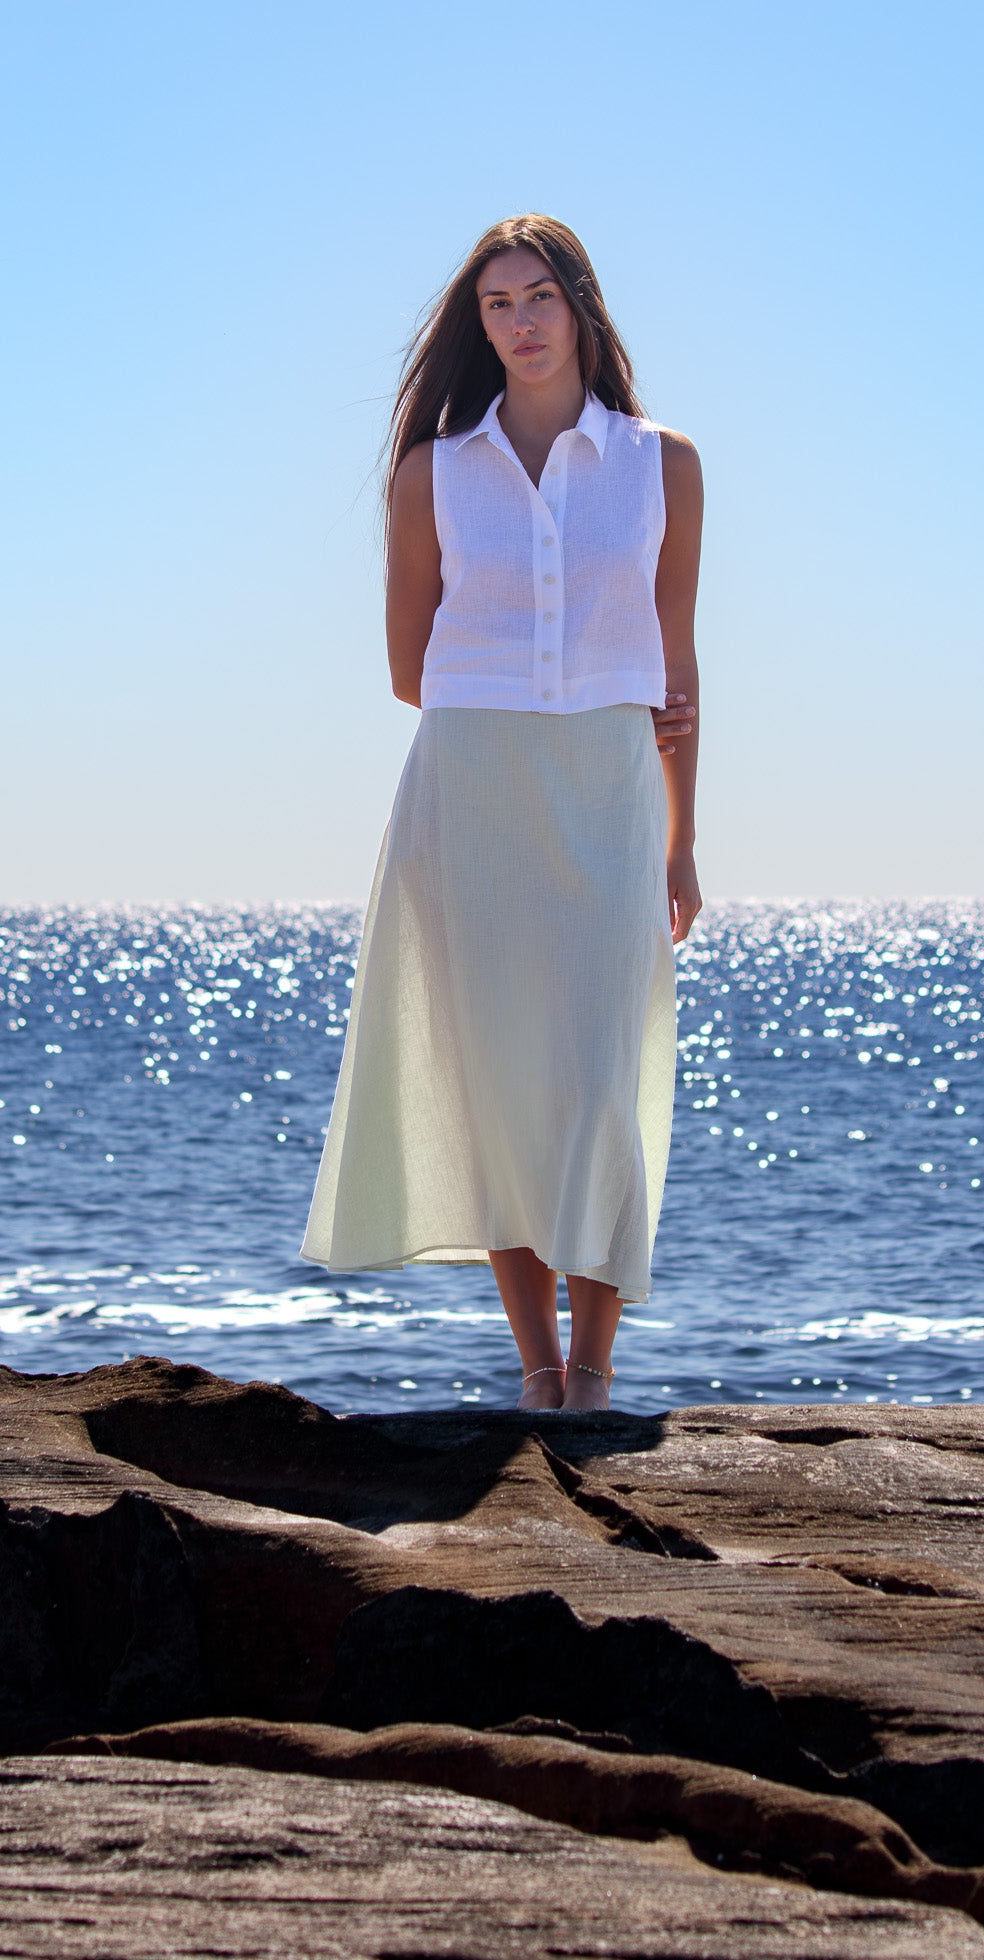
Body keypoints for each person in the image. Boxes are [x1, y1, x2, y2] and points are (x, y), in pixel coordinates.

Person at [301, 215, 702, 1412]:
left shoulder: (660, 462)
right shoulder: (433, 473)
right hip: (469, 785)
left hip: (611, 789)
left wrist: (686, 836)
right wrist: (521, 690)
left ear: (579, 305)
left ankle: (599, 1366)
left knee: (595, 1082)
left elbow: (677, 672)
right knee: (497, 1084)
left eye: (537, 298)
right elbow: (405, 666)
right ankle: (542, 1371)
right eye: (496, 306)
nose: (519, 324)